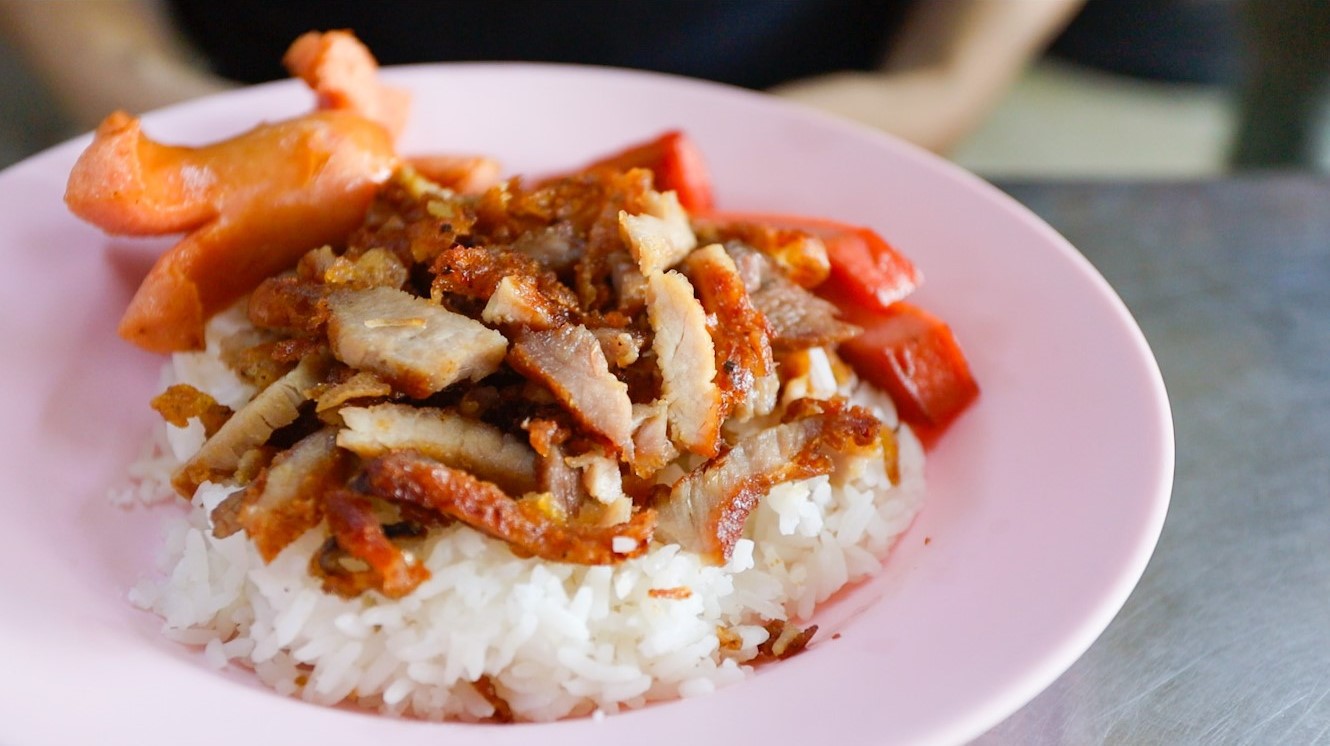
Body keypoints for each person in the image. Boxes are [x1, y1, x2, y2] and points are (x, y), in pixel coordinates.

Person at [0, 0, 1082, 155]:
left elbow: (950, 73)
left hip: (852, 77)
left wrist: (946, 78)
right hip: (238, 82)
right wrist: (160, 93)